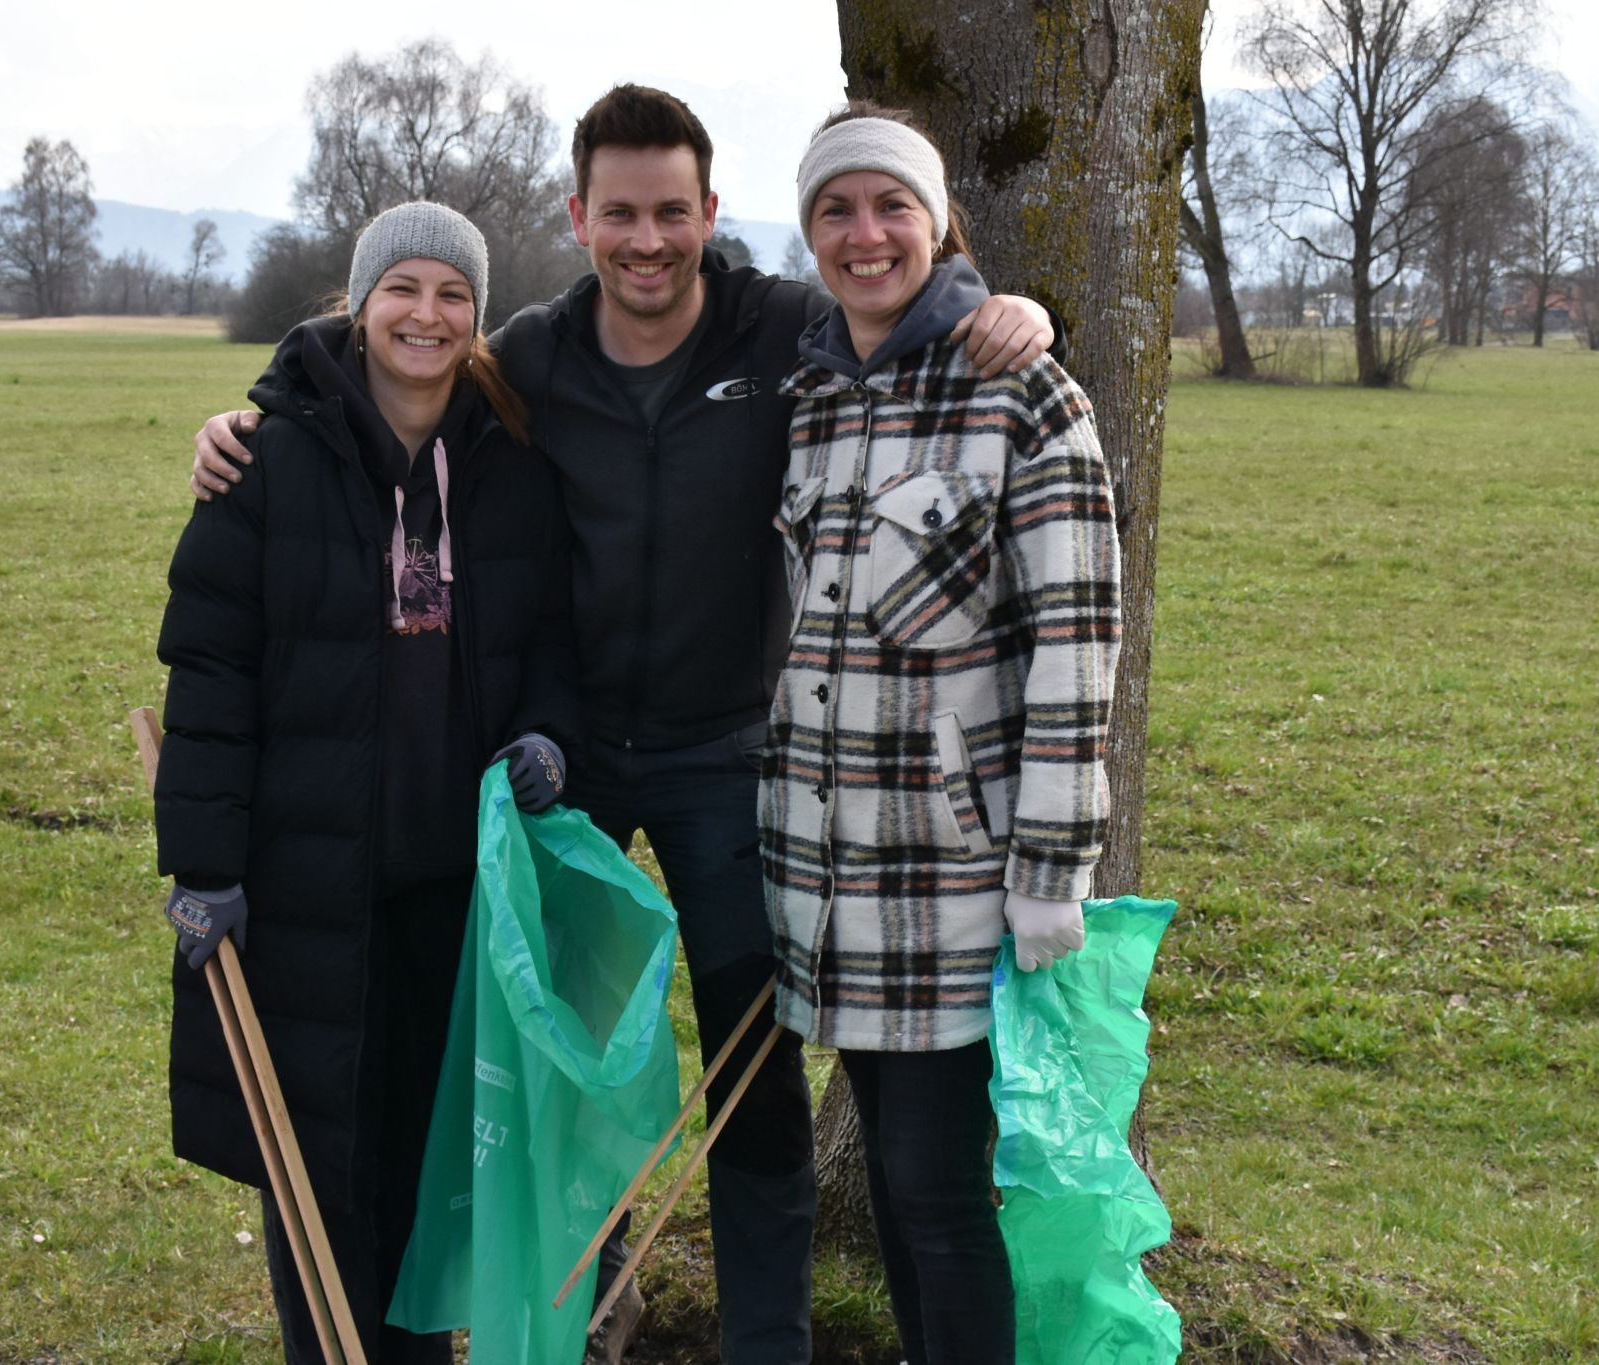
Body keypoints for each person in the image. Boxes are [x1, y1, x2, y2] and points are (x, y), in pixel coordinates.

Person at [190, 84, 1058, 1365]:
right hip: (564, 769)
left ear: (709, 212)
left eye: (670, 212)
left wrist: (1006, 301)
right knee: (556, 1070)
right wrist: (251, 422)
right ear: (578, 216)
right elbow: (376, 378)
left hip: (731, 768)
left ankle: (767, 1339)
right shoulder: (530, 355)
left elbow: (899, 292)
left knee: (750, 1089)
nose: (645, 240)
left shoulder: (784, 332)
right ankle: (584, 1318)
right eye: (618, 214)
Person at [154, 201, 579, 1365]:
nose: (426, 316)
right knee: (316, 1165)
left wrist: (543, 736)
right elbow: (208, 671)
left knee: (427, 1163)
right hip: (306, 885)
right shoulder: (263, 462)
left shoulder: (511, 468)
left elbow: (550, 644)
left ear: (477, 321)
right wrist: (204, 868)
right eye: (403, 289)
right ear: (360, 300)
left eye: (453, 295)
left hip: (455, 890)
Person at [762, 105, 1121, 1365]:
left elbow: (1076, 648)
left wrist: (1049, 874)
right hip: (824, 881)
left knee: (934, 1199)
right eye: (835, 211)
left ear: (936, 221)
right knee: (911, 1202)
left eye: (890, 207)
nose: (865, 236)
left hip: (951, 882)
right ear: (808, 233)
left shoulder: (1019, 390)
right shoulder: (813, 398)